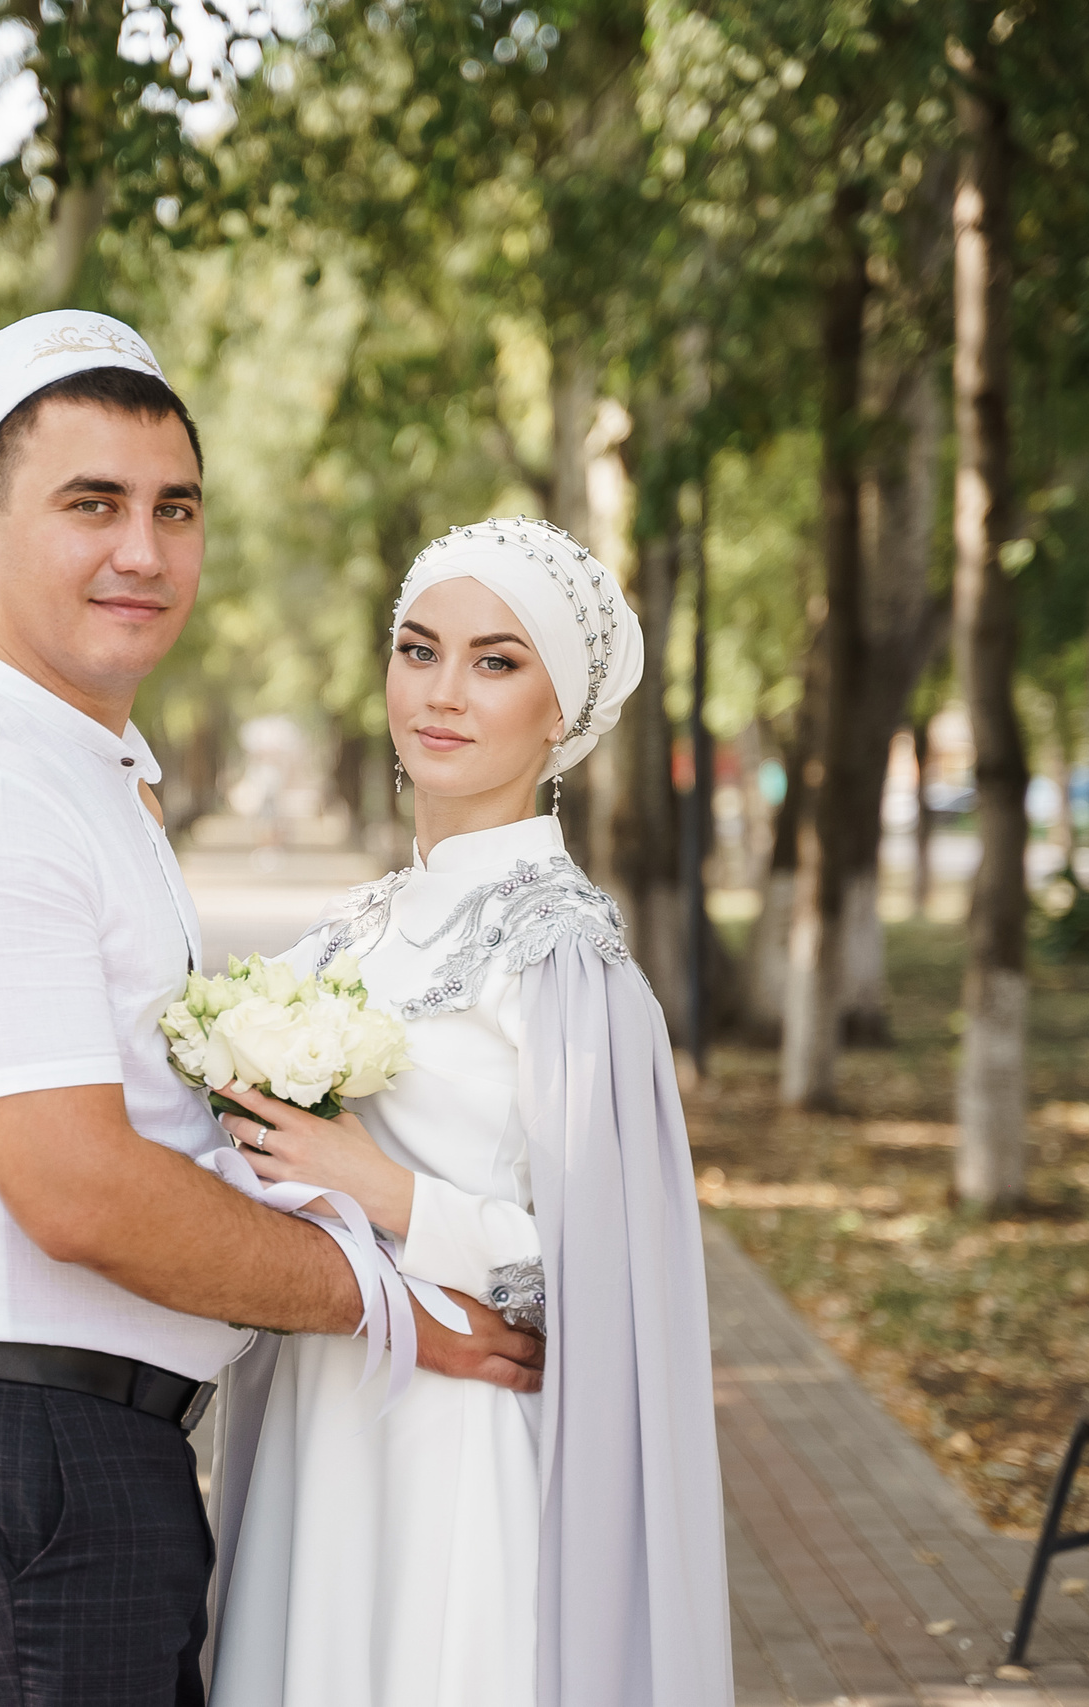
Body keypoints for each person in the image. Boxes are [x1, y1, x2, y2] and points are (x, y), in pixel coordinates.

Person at [0, 312, 544, 1707]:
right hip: (10, 1450)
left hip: (62, 1443)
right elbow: (79, 1189)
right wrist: (388, 1303)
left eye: (173, 507)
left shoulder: (79, 767)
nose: (142, 549)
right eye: (92, 504)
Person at [206, 518, 734, 1707]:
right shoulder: (350, 930)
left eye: (496, 662)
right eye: (418, 649)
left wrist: (388, 1194)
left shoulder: (565, 958)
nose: (443, 693)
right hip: (320, 1417)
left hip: (456, 1440)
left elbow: (613, 1291)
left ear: (562, 714)